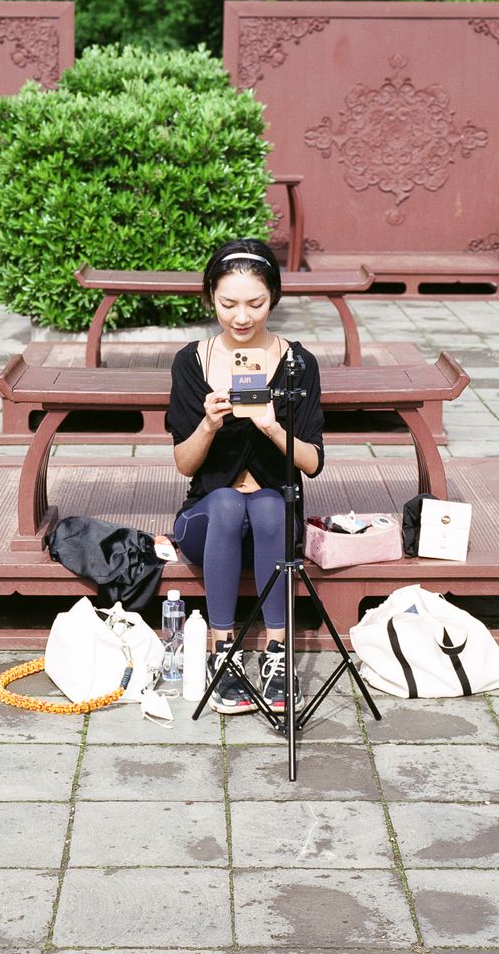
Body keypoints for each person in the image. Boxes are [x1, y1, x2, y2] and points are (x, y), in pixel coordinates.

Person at [165, 238, 324, 714]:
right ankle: (222, 651)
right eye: (227, 303)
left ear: (273, 297)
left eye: (255, 303)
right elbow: (185, 465)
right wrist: (209, 424)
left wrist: (274, 425)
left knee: (272, 503)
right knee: (231, 505)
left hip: (274, 526)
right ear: (209, 297)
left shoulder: (297, 363)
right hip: (207, 520)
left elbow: (312, 463)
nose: (242, 317)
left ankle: (278, 652)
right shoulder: (191, 362)